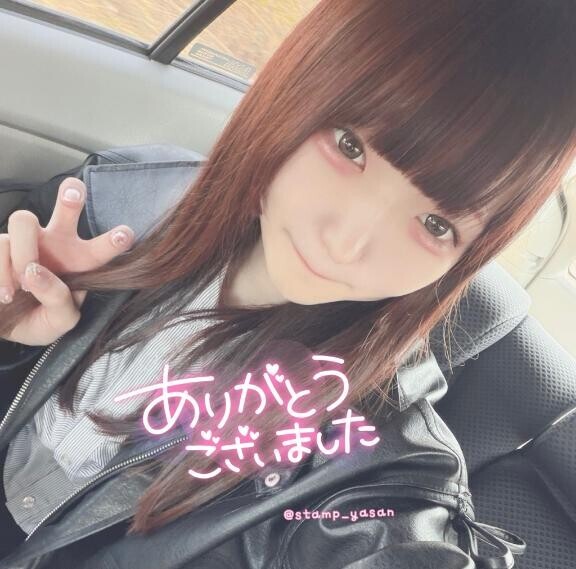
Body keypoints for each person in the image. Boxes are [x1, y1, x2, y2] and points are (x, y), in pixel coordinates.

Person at [0, 0, 574, 567]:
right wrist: (11, 337)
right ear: (295, 92)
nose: (346, 244)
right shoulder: (113, 202)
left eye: (436, 224)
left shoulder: (374, 465)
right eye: (350, 147)